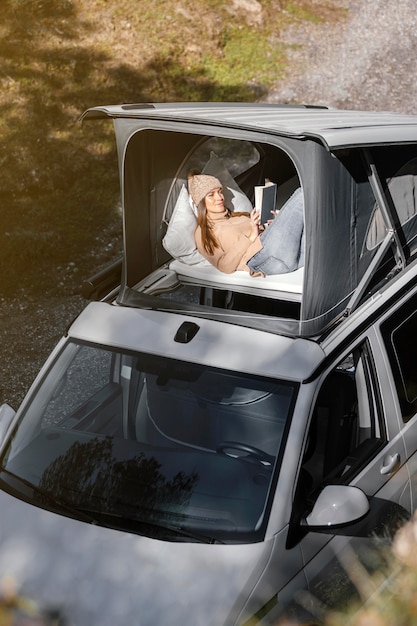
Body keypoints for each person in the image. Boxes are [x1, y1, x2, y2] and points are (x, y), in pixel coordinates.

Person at [188, 171, 304, 276]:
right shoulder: (204, 231)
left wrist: (274, 224)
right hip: (263, 259)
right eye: (211, 195)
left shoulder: (239, 215)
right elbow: (224, 266)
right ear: (201, 202)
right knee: (302, 194)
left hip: (285, 253)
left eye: (220, 192)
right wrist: (251, 236)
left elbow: (264, 234)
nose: (220, 197)